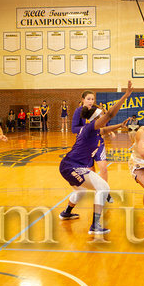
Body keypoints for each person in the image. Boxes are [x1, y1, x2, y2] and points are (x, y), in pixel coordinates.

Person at [59, 82, 132, 235]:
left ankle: (66, 212)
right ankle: (95, 226)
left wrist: (120, 125)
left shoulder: (95, 130)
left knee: (81, 192)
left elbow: (105, 129)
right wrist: (125, 96)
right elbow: (110, 114)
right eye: (100, 115)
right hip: (72, 166)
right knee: (104, 187)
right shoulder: (90, 128)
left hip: (68, 165)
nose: (102, 115)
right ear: (95, 118)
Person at [71, 91, 113, 204]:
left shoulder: (97, 110)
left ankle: (105, 191)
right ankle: (98, 192)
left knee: (103, 168)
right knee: (92, 172)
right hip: (85, 145)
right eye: (88, 99)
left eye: (92, 99)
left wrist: (109, 130)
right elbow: (73, 129)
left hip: (98, 141)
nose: (91, 101)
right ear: (83, 99)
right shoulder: (78, 111)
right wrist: (88, 127)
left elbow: (104, 121)